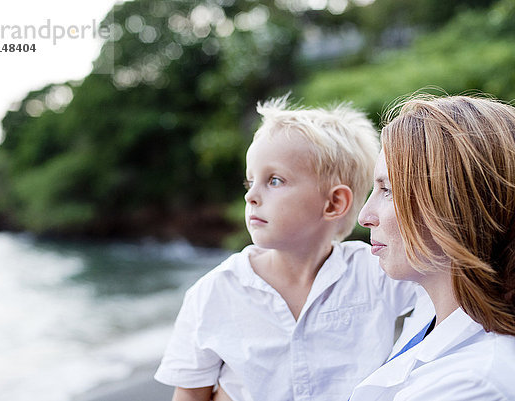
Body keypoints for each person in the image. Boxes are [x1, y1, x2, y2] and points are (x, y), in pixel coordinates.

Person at [154, 96, 418, 401]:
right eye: (249, 182)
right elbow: (190, 395)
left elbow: (451, 286)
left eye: (274, 180)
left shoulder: (377, 274)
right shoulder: (214, 292)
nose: (251, 195)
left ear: (334, 203)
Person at [351, 94, 515, 401]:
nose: (364, 217)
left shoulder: (477, 384)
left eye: (387, 190)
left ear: (452, 207)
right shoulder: (436, 319)